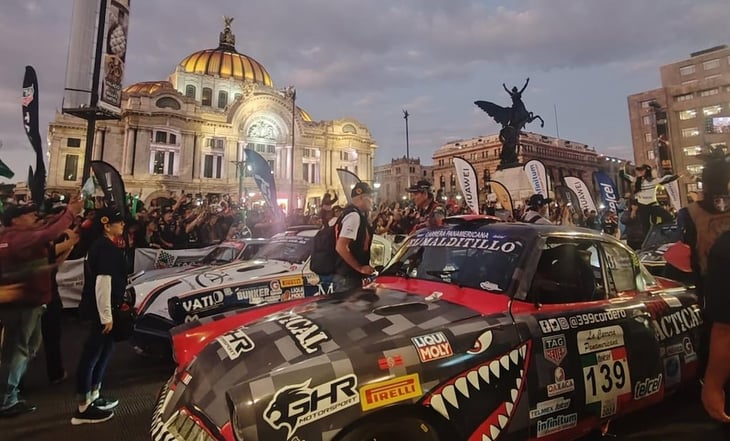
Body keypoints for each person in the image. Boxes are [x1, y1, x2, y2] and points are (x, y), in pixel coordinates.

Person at [0, 197, 83, 418]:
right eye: (28, 214)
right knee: (17, 351)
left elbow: (45, 226)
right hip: (22, 304)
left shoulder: (17, 236)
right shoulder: (18, 239)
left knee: (27, 348)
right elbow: (47, 233)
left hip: (32, 303)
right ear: (15, 220)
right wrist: (71, 213)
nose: (34, 216)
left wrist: (67, 211)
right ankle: (8, 399)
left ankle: (12, 390)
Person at [72, 208, 127, 425]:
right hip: (102, 309)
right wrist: (106, 316)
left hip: (105, 307)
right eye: (119, 222)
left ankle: (94, 394)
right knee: (92, 354)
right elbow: (103, 282)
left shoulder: (103, 246)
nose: (122, 226)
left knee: (104, 351)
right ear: (107, 225)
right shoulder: (104, 248)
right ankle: (83, 406)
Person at [333, 183, 375, 293]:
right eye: (370, 197)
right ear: (361, 198)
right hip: (348, 278)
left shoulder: (357, 215)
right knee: (348, 309)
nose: (372, 201)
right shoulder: (353, 216)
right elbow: (341, 246)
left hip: (350, 277)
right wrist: (359, 268)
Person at [619, 163, 677, 237]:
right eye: (639, 171)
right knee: (645, 226)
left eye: (641, 171)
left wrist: (678, 175)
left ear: (646, 171)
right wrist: (622, 167)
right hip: (642, 206)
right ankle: (647, 240)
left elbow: (668, 179)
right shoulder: (636, 180)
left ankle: (660, 230)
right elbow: (623, 176)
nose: (639, 173)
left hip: (652, 204)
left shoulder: (654, 181)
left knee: (668, 217)